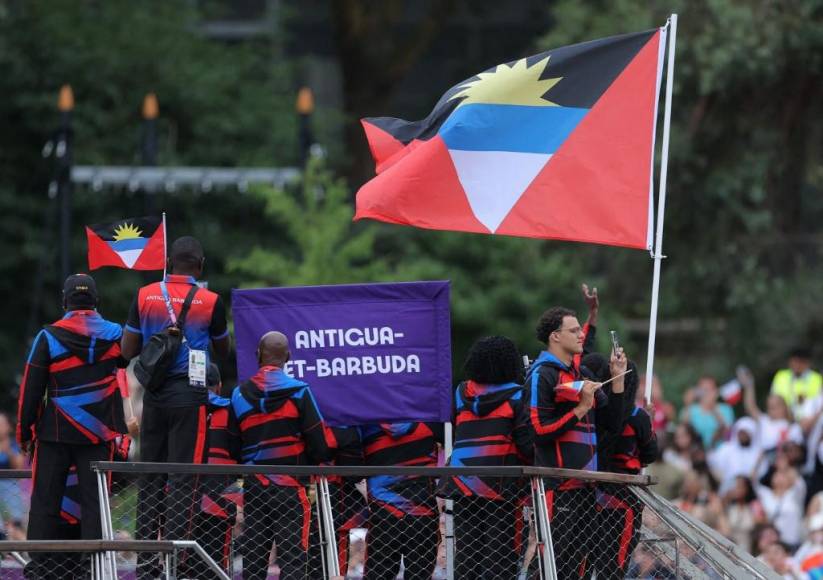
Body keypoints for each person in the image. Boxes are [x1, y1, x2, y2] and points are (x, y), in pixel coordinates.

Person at [120, 236, 230, 579]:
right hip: (190, 397)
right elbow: (222, 351)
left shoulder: (144, 295)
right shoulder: (211, 300)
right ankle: (178, 563)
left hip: (153, 397)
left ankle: (146, 565)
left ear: (168, 262)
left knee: (150, 479)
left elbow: (128, 349)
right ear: (201, 265)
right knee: (184, 479)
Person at [17, 274, 127, 577]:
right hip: (98, 435)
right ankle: (89, 569)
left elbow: (30, 390)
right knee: (95, 505)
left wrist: (25, 433)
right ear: (97, 301)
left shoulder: (48, 337)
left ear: (64, 301)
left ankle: (40, 569)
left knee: (45, 502)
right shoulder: (116, 335)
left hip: (55, 433)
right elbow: (126, 363)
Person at [525, 295, 626, 579]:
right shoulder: (541, 374)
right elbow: (538, 432)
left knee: (576, 570)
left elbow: (612, 423)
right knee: (547, 568)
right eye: (573, 330)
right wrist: (581, 407)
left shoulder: (582, 372)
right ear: (555, 337)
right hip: (556, 487)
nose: (581, 333)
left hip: (585, 488)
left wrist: (617, 380)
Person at [228, 331, 337, 580]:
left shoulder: (238, 394)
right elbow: (320, 445)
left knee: (252, 562)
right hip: (292, 488)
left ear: (258, 355)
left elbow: (233, 447)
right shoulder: (300, 392)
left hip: (254, 488)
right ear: (287, 356)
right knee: (294, 562)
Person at [438, 335, 532, 579]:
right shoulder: (519, 396)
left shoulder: (460, 392)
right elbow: (526, 443)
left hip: (461, 481)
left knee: (467, 555)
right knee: (500, 557)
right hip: (501, 485)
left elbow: (451, 429)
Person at [589, 357, 657, 580]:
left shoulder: (594, 412)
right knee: (614, 567)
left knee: (586, 561)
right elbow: (649, 453)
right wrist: (650, 422)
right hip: (624, 499)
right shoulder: (638, 417)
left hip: (591, 494)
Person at [360, 421, 443, 580]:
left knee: (377, 573)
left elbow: (352, 464)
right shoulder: (430, 422)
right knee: (421, 573)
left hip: (383, 513)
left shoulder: (367, 426)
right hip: (422, 511)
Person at [708, 417, 763, 495]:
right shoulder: (726, 448)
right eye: (741, 433)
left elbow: (761, 473)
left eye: (746, 433)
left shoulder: (758, 452)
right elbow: (713, 462)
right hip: (728, 488)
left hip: (752, 490)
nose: (743, 436)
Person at [681, 376, 735, 449]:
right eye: (702, 390)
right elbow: (683, 430)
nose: (705, 393)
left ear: (716, 391)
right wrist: (688, 404)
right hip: (697, 453)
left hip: (721, 451)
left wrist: (713, 408)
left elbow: (728, 434)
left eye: (709, 390)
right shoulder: (691, 409)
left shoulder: (725, 409)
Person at [770, 348, 822, 420]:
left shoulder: (817, 379)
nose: (797, 365)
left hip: (809, 420)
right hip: (783, 419)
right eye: (795, 361)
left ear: (807, 363)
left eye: (800, 362)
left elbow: (819, 404)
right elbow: (773, 400)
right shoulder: (781, 376)